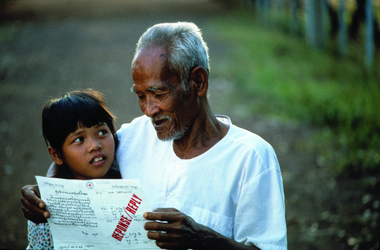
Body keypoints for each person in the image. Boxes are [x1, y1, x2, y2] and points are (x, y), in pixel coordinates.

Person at [21, 22, 287, 250]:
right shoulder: (136, 135)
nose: (149, 110)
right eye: (140, 96)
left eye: (159, 94)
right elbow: (79, 156)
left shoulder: (251, 157)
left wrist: (204, 238)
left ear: (198, 82)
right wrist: (44, 192)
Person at [26, 90, 120, 249]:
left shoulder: (132, 176)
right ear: (56, 154)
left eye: (102, 132)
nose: (95, 145)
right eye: (79, 139)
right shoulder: (45, 212)